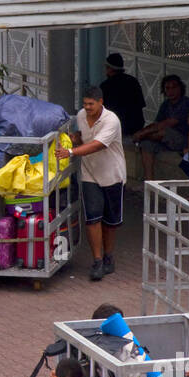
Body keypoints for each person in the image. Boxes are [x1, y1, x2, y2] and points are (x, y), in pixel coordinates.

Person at [56, 86, 125, 281]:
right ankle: (97, 260)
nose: (87, 108)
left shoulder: (111, 121)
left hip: (113, 175)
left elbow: (97, 145)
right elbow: (83, 137)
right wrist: (75, 139)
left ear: (100, 102)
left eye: (91, 104)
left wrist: (70, 153)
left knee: (110, 222)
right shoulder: (80, 115)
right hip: (90, 175)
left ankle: (108, 256)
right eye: (85, 104)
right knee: (92, 218)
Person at [131, 74, 189, 180]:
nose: (171, 91)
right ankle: (149, 181)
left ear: (180, 88)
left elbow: (169, 123)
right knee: (146, 144)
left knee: (163, 131)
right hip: (165, 141)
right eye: (167, 88)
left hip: (183, 140)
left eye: (174, 87)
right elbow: (156, 123)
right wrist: (143, 131)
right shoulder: (165, 104)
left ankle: (144, 137)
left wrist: (142, 134)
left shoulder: (186, 102)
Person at [99, 53, 146, 138]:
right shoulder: (133, 81)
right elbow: (141, 105)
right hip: (136, 127)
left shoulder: (105, 86)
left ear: (109, 68)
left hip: (115, 128)